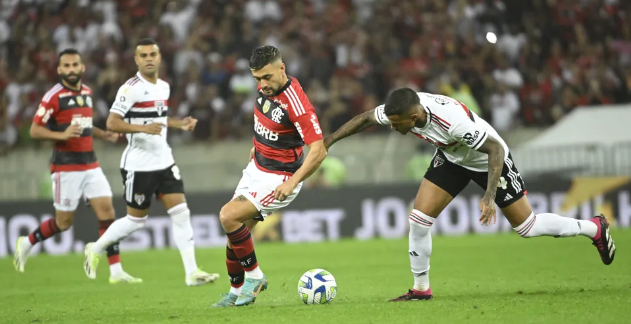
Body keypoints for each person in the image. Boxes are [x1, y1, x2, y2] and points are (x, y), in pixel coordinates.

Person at [323, 88, 616, 301]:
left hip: (487, 161)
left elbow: (495, 149)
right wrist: (331, 140)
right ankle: (421, 289)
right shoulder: (401, 109)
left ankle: (594, 228)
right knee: (419, 219)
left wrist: (488, 196)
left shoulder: (451, 122)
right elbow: (364, 119)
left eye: (398, 123)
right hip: (452, 158)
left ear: (413, 117)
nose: (393, 126)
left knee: (527, 227)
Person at [82, 38, 219, 286]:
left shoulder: (163, 87)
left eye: (152, 54)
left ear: (159, 58)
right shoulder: (130, 88)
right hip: (139, 165)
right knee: (136, 221)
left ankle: (191, 273)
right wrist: (142, 128)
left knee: (181, 213)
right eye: (143, 55)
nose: (148, 59)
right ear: (136, 60)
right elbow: (112, 123)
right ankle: (96, 247)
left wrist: (179, 123)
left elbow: (159, 117)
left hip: (164, 160)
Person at [212, 45, 327, 307]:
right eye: (257, 79)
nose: (262, 84)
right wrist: (259, 145)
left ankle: (255, 277)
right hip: (257, 167)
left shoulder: (296, 103)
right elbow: (268, 123)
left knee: (228, 216)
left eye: (267, 77)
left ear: (282, 68)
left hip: (280, 177)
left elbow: (318, 151)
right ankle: (235, 292)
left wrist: (293, 181)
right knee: (236, 234)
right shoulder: (266, 87)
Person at [14, 48, 141, 284]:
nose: (71, 70)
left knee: (108, 213)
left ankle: (115, 271)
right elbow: (34, 130)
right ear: (60, 69)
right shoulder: (53, 96)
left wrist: (105, 135)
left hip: (90, 163)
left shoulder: (87, 92)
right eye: (67, 66)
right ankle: (28, 241)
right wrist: (61, 136)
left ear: (82, 68)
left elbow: (86, 126)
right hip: (66, 168)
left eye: (75, 65)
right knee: (63, 223)